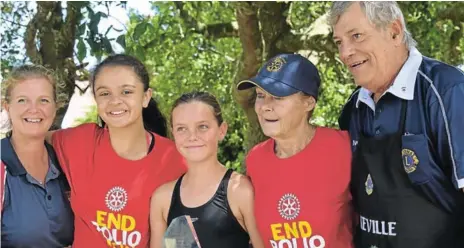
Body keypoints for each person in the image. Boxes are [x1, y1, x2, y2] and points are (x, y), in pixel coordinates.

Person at [331, 1, 464, 247]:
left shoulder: (447, 91)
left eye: (356, 36)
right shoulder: (352, 110)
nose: (344, 53)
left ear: (394, 31)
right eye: (339, 42)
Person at [45, 54, 187, 248]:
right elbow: (31, 138)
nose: (115, 101)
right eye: (104, 94)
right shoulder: (80, 141)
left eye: (126, 92)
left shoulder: (175, 159)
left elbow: (181, 238)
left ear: (145, 97)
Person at [236, 54, 354, 248]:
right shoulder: (255, 160)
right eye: (260, 95)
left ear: (308, 103)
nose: (265, 107)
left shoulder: (342, 147)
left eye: (278, 97)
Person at [149, 91, 264, 248]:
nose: (192, 136)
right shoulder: (162, 198)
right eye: (182, 129)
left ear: (221, 130)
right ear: (173, 133)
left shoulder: (240, 191)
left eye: (202, 127)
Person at [1, 65, 74, 247]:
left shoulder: (65, 164)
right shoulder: (2, 166)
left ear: (55, 107)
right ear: (7, 106)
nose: (34, 109)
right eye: (22, 100)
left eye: (44, 100)